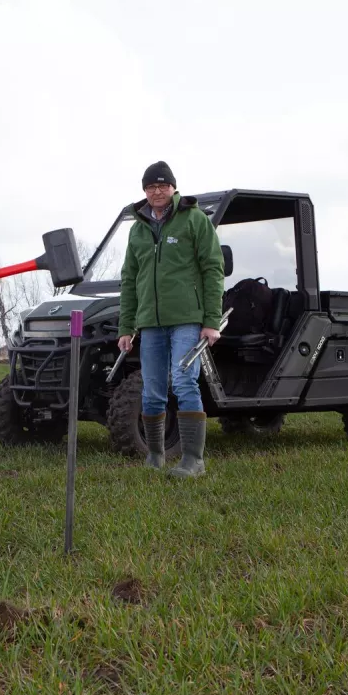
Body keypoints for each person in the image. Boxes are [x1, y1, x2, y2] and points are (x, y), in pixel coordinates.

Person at [116, 161, 224, 477]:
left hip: (187, 320)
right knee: (151, 389)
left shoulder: (194, 220)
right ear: (144, 191)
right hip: (150, 323)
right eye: (151, 187)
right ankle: (155, 455)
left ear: (173, 188)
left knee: (183, 380)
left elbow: (212, 269)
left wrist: (211, 321)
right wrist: (126, 326)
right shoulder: (137, 230)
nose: (157, 191)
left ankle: (194, 460)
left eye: (163, 185)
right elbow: (129, 279)